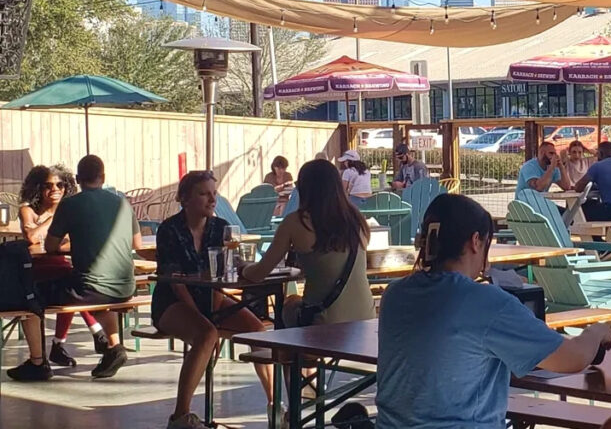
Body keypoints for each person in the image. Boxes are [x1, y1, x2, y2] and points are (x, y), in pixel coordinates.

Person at [375, 194, 611, 428]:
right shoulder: (485, 302)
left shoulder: (395, 294)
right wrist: (596, 332)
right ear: (476, 241)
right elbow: (571, 358)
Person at [153, 171, 274, 429]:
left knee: (258, 330)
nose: (212, 199)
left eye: (214, 193)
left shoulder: (220, 228)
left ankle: (275, 407)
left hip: (211, 297)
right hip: (172, 302)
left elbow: (224, 273)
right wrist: (202, 315)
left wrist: (213, 309)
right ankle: (180, 417)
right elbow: (175, 281)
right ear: (185, 198)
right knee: (207, 334)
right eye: (204, 193)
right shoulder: (169, 229)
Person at [7, 156, 142, 382]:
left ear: (77, 180)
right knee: (93, 292)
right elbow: (136, 244)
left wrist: (76, 241)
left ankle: (38, 363)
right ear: (104, 177)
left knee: (27, 296)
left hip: (91, 287)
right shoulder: (123, 203)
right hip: (126, 286)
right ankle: (114, 347)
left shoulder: (71, 205)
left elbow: (50, 246)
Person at [243, 158, 375, 326]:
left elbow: (259, 273)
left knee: (290, 305)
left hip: (325, 321)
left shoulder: (296, 222)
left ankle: (294, 353)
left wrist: (243, 268)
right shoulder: (356, 219)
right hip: (366, 318)